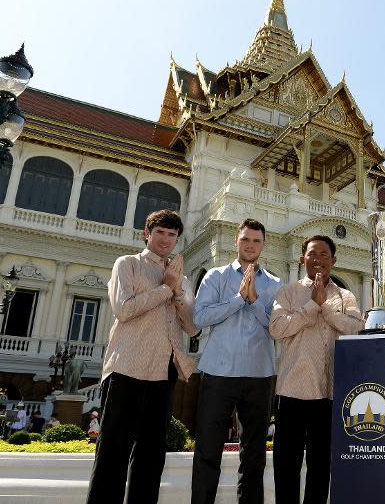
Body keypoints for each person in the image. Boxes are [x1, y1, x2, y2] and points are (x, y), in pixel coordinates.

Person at [86, 209, 197, 504]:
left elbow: (192, 326)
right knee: (113, 451)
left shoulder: (181, 279)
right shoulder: (128, 264)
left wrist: (176, 292)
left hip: (163, 371)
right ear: (146, 234)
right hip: (126, 366)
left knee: (151, 455)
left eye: (172, 235)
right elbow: (123, 309)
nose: (165, 239)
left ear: (177, 240)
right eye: (159, 232)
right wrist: (165, 288)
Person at [191, 218, 283, 504]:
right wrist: (237, 300)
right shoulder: (216, 276)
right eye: (245, 239)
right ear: (236, 241)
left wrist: (254, 301)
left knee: (254, 454)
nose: (250, 245)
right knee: (207, 450)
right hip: (218, 372)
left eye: (256, 240)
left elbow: (277, 329)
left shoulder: (275, 284)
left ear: (263, 245)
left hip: (259, 374)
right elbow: (200, 319)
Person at [270, 235, 362, 504]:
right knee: (286, 466)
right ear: (303, 259)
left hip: (330, 393)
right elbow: (277, 328)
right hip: (292, 390)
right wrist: (311, 306)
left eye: (324, 255)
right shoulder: (288, 292)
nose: (318, 259)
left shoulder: (345, 296)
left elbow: (356, 327)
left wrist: (326, 309)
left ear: (333, 261)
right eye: (312, 254)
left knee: (321, 468)